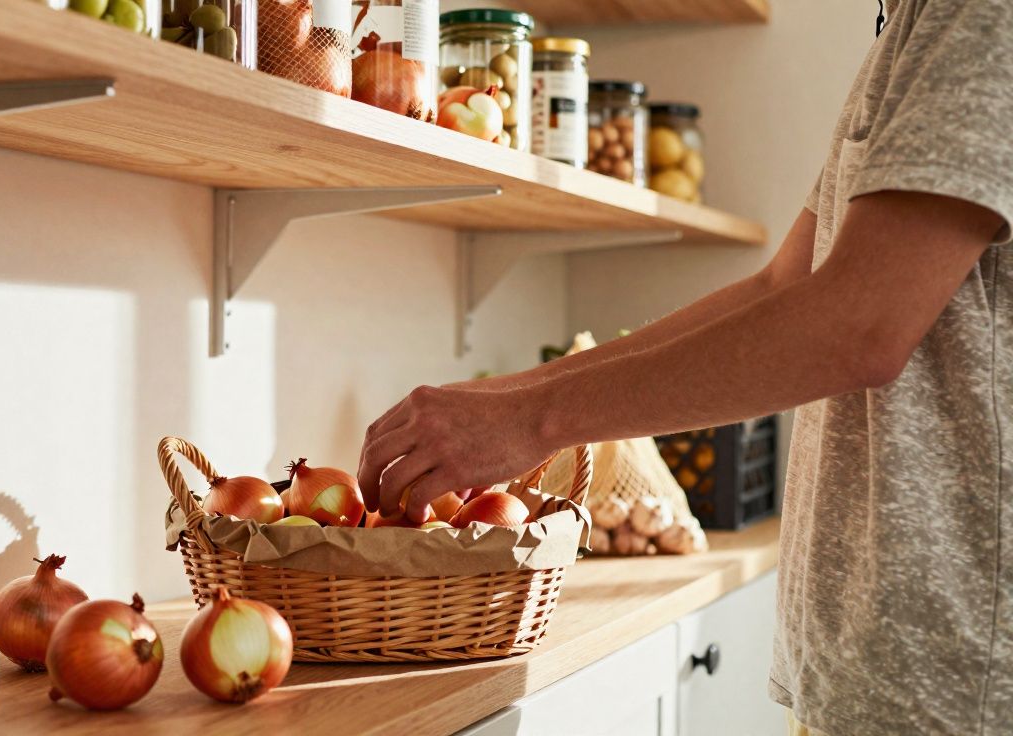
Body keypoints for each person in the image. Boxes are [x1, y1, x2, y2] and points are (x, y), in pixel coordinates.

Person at [356, 1, 1013, 733]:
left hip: (961, 687)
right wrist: (504, 398)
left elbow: (858, 323)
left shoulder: (977, 13)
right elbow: (786, 287)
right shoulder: (910, 23)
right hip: (875, 673)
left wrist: (530, 417)